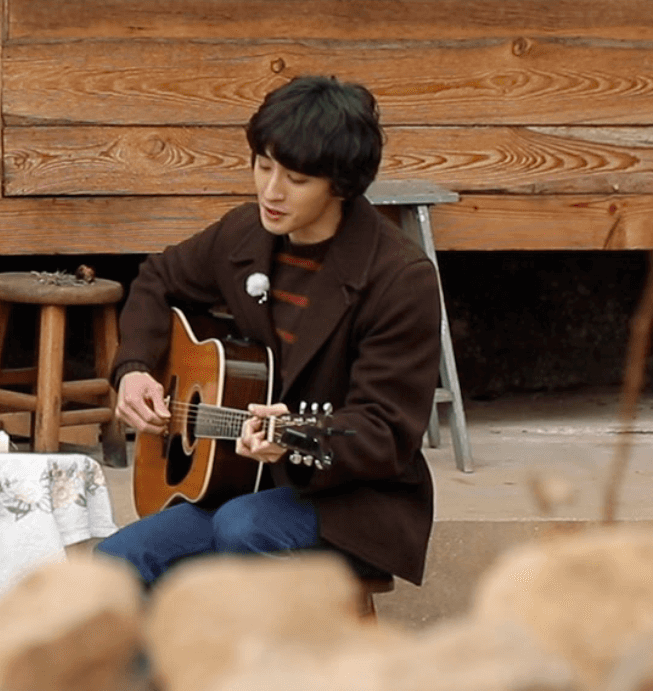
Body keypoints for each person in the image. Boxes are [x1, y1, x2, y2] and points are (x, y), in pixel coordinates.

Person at [95, 75, 442, 588]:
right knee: (115, 562)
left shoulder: (399, 277)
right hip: (243, 483)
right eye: (263, 165)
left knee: (244, 527)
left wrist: (297, 436)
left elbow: (386, 433)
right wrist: (134, 368)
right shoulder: (244, 232)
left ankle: (255, 641)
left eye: (296, 179)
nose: (271, 191)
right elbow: (157, 280)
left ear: (341, 184)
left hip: (351, 501)